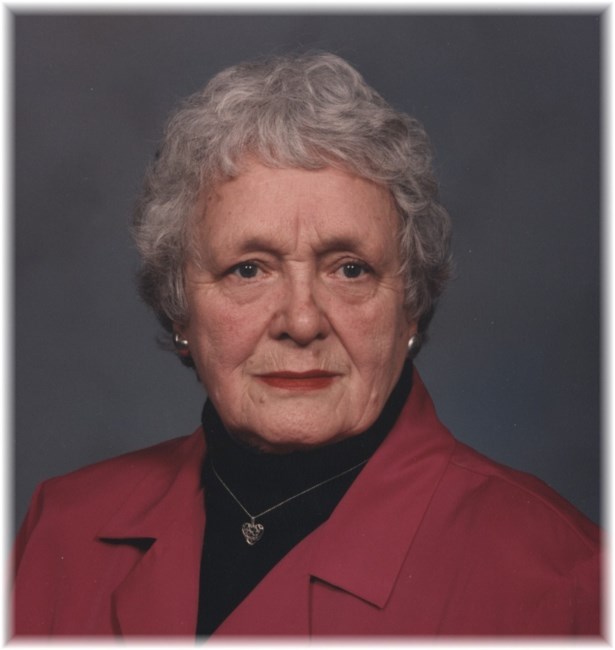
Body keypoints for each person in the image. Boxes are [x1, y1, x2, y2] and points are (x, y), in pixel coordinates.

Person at [12, 52, 600, 637]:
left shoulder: (566, 582)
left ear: (411, 305)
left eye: (349, 269)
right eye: (248, 269)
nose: (300, 321)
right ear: (179, 308)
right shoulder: (62, 530)